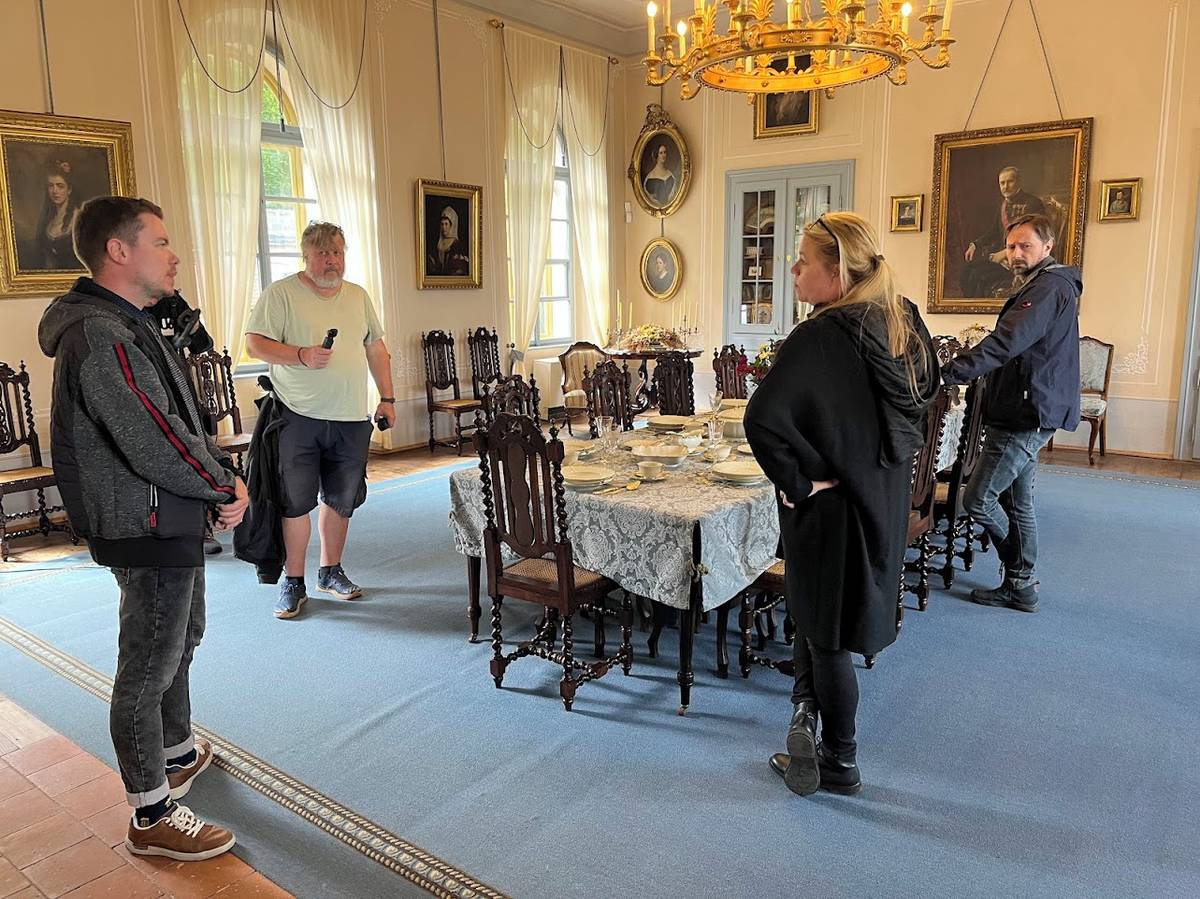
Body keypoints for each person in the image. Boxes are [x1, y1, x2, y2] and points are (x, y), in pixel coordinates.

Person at [38, 196, 248, 860]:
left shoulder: (131, 323)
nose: (174, 255)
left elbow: (179, 418)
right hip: (142, 517)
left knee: (181, 635)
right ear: (119, 251)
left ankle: (176, 751)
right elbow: (154, 439)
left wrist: (217, 472)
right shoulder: (100, 335)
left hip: (166, 509)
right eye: (160, 242)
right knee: (148, 662)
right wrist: (222, 483)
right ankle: (150, 813)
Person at [744, 212, 938, 797]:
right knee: (819, 623)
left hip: (829, 513)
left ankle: (840, 761)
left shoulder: (822, 336)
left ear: (838, 274)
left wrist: (798, 483)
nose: (793, 269)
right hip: (880, 499)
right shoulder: (901, 320)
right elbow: (923, 403)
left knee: (825, 637)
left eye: (803, 261)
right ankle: (804, 719)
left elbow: (761, 419)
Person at [245, 221, 396, 619]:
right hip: (297, 414)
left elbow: (376, 349)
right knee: (295, 503)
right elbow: (254, 344)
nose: (331, 260)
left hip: (350, 416)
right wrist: (300, 355)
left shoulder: (358, 296)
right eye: (322, 253)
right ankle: (293, 581)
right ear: (306, 256)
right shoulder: (281, 294)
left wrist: (388, 398)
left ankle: (330, 571)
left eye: (337, 252)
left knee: (341, 500)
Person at [942, 213, 1082, 613]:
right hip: (1031, 406)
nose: (1016, 253)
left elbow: (1006, 342)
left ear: (1047, 247)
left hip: (1026, 411)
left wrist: (946, 374)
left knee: (978, 499)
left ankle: (1020, 572)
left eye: (1025, 246)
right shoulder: (1045, 284)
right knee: (1017, 502)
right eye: (1011, 246)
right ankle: (1021, 585)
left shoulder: (1048, 287)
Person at [960, 166, 1045, 298]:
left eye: (1010, 181)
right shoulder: (1003, 205)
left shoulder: (1033, 203)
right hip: (1003, 261)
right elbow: (994, 231)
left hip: (1023, 263)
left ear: (1019, 182)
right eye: (1002, 183)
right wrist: (975, 244)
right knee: (967, 271)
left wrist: (1006, 252)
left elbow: (1035, 237)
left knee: (977, 276)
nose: (1005, 186)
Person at [35, 160, 84, 270]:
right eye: (51, 186)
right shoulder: (48, 219)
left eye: (60, 186)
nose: (54, 191)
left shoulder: (80, 218)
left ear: (69, 190)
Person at [427, 206, 469, 276]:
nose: (444, 227)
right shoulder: (437, 243)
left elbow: (459, 268)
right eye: (442, 224)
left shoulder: (456, 244)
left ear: (451, 226)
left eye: (446, 224)